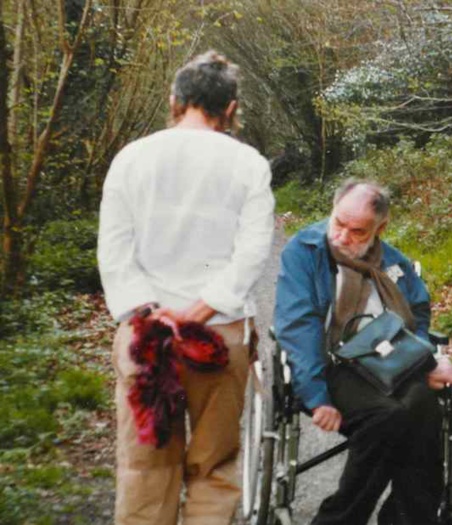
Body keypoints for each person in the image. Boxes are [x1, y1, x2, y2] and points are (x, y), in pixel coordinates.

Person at [97, 50, 275, 524]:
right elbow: (253, 253)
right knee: (214, 466)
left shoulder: (131, 158)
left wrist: (149, 311)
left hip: (145, 335)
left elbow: (113, 250)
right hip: (218, 336)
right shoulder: (248, 163)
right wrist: (200, 310)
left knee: (144, 467)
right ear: (231, 108)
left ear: (175, 99)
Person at [274, 179, 452, 525]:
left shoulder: (394, 262)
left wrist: (425, 359)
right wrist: (317, 397)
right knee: (387, 417)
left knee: (423, 409)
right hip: (333, 365)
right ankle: (339, 519)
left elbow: (418, 315)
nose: (342, 237)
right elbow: (298, 328)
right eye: (338, 223)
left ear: (380, 228)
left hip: (390, 362)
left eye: (357, 231)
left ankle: (409, 518)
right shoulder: (305, 251)